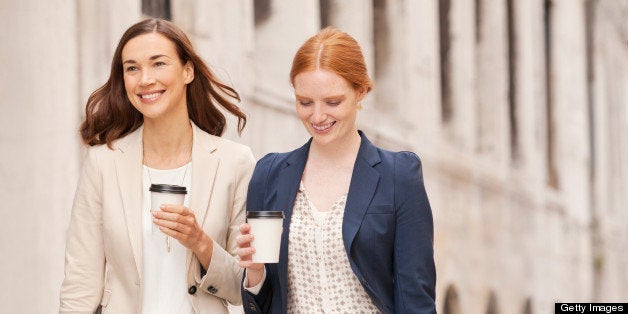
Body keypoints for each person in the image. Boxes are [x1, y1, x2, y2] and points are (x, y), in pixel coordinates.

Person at [59, 18, 255, 314]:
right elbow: (80, 283)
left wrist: (200, 242)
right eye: (132, 68)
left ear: (187, 70)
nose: (145, 79)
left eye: (158, 64)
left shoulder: (234, 162)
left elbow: (244, 287)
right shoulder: (103, 163)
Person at [237, 27, 436, 313]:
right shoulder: (269, 175)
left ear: (361, 92)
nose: (317, 116)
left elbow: (415, 297)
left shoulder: (398, 176)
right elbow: (263, 304)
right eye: (305, 102)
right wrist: (255, 273)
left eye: (333, 102)